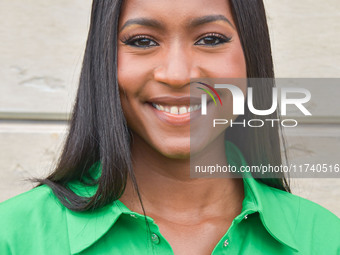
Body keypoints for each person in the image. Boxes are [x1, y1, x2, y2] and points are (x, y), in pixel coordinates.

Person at [1, 0, 339, 254]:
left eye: (210, 39)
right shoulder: (15, 237)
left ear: (252, 54)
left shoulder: (322, 238)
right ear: (103, 58)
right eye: (143, 41)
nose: (177, 75)